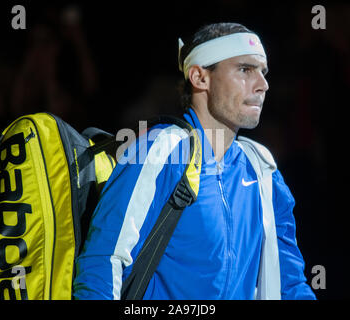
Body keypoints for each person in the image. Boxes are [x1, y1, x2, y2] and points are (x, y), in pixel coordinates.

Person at [73, 22, 316, 300]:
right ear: (200, 77)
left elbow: (290, 284)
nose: (263, 85)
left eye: (263, 72)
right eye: (245, 70)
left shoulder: (262, 168)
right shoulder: (161, 148)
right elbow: (103, 262)